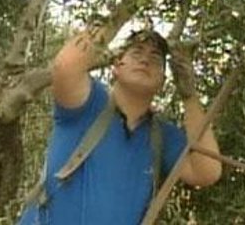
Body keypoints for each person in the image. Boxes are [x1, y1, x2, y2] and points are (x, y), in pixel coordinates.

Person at [19, 28, 222, 224]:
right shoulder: (89, 102)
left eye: (155, 59)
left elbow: (207, 172)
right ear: (116, 65)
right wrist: (116, 17)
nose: (145, 60)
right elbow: (65, 66)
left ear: (162, 81)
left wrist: (190, 97)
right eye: (136, 53)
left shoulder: (161, 135)